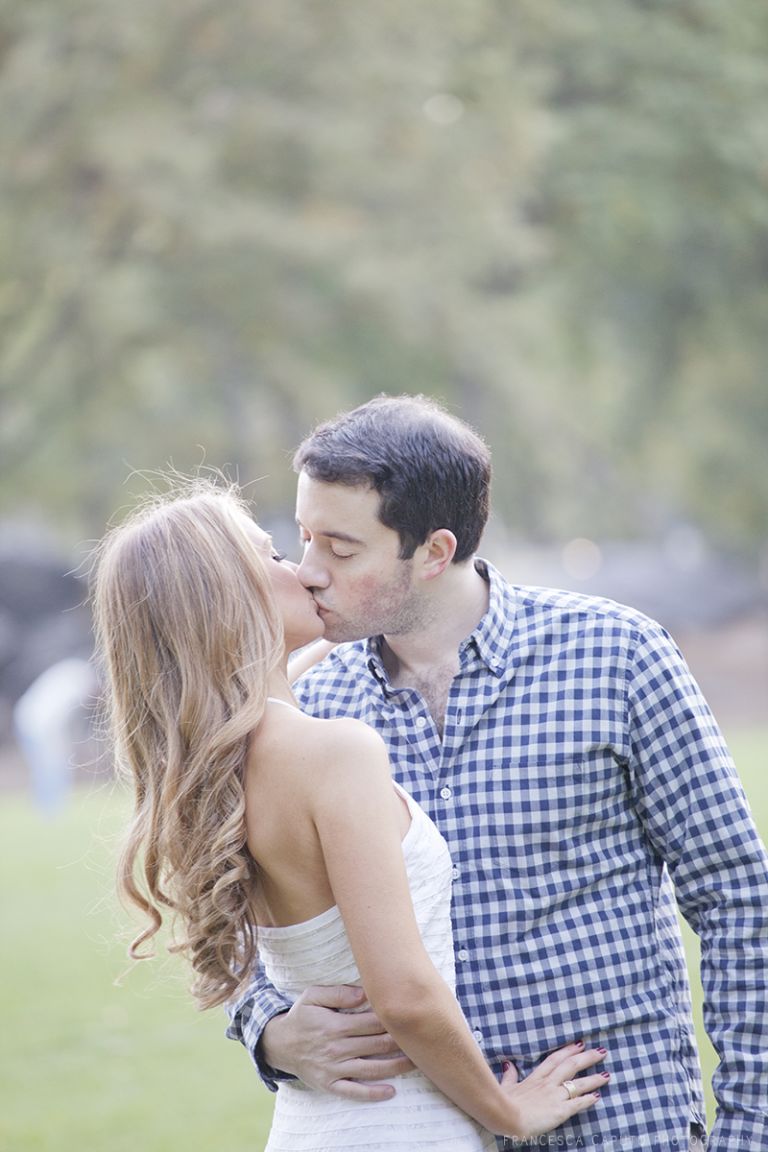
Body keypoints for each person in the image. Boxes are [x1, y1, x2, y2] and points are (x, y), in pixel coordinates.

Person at [227, 395, 768, 1152]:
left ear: (435, 551)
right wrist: (269, 1031)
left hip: (618, 1125)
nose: (309, 572)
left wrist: (750, 1129)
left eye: (342, 550)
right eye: (305, 537)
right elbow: (243, 918)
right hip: (421, 1128)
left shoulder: (617, 656)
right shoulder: (310, 706)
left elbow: (738, 896)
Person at [92, 480, 607, 1152]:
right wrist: (507, 1112)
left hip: (315, 1125)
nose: (303, 570)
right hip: (402, 1127)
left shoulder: (219, 768)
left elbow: (266, 678)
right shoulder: (334, 752)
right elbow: (404, 996)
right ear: (227, 599)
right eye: (274, 556)